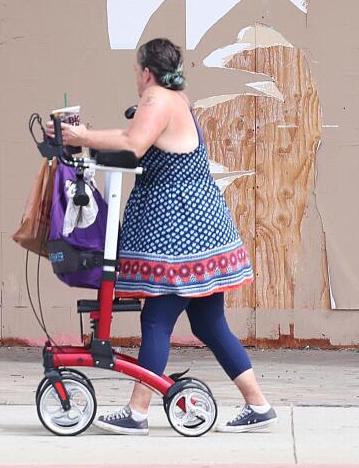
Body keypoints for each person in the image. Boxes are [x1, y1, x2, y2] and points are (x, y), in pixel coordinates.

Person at [57, 37, 279, 434]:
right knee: (210, 324)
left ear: (146, 71)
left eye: (137, 74)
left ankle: (137, 412)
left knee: (157, 318)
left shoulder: (156, 98)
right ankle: (258, 404)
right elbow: (140, 150)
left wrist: (82, 137)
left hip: (179, 231)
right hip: (203, 223)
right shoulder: (178, 98)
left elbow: (132, 143)